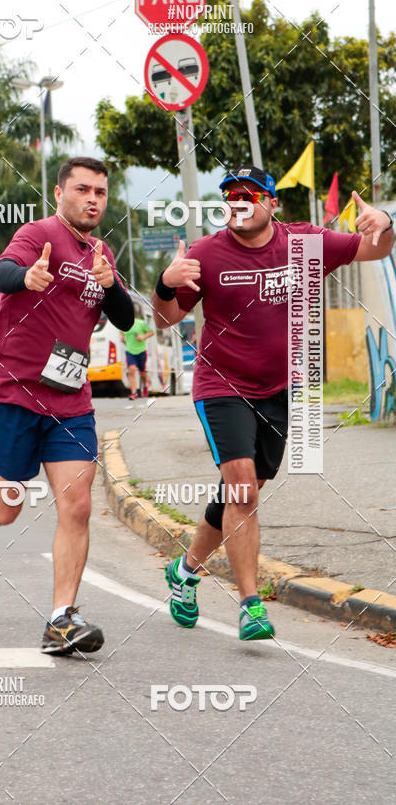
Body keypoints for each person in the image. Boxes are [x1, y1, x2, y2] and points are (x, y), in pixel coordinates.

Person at [152, 164, 394, 641]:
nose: (240, 202)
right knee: (243, 489)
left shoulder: (304, 244)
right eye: (231, 196)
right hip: (223, 386)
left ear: (271, 203)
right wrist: (165, 281)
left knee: (241, 491)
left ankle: (184, 571)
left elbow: (376, 249)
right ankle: (250, 605)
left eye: (250, 194)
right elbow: (165, 319)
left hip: (286, 390)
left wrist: (385, 221)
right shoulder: (205, 254)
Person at [0, 156, 134, 655]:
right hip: (12, 391)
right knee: (6, 508)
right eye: (82, 189)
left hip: (70, 399)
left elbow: (127, 319)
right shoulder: (38, 233)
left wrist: (111, 283)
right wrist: (25, 277)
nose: (92, 198)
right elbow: (1, 272)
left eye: (100, 191)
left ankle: (61, 618)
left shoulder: (102, 253)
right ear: (60, 193)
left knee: (77, 503)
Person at [121, 304, 155, 400]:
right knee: (131, 370)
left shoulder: (141, 323)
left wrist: (142, 337)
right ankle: (134, 393)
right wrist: (122, 338)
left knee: (142, 372)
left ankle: (145, 384)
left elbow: (152, 332)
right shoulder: (124, 324)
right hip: (130, 351)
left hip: (141, 351)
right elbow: (122, 335)